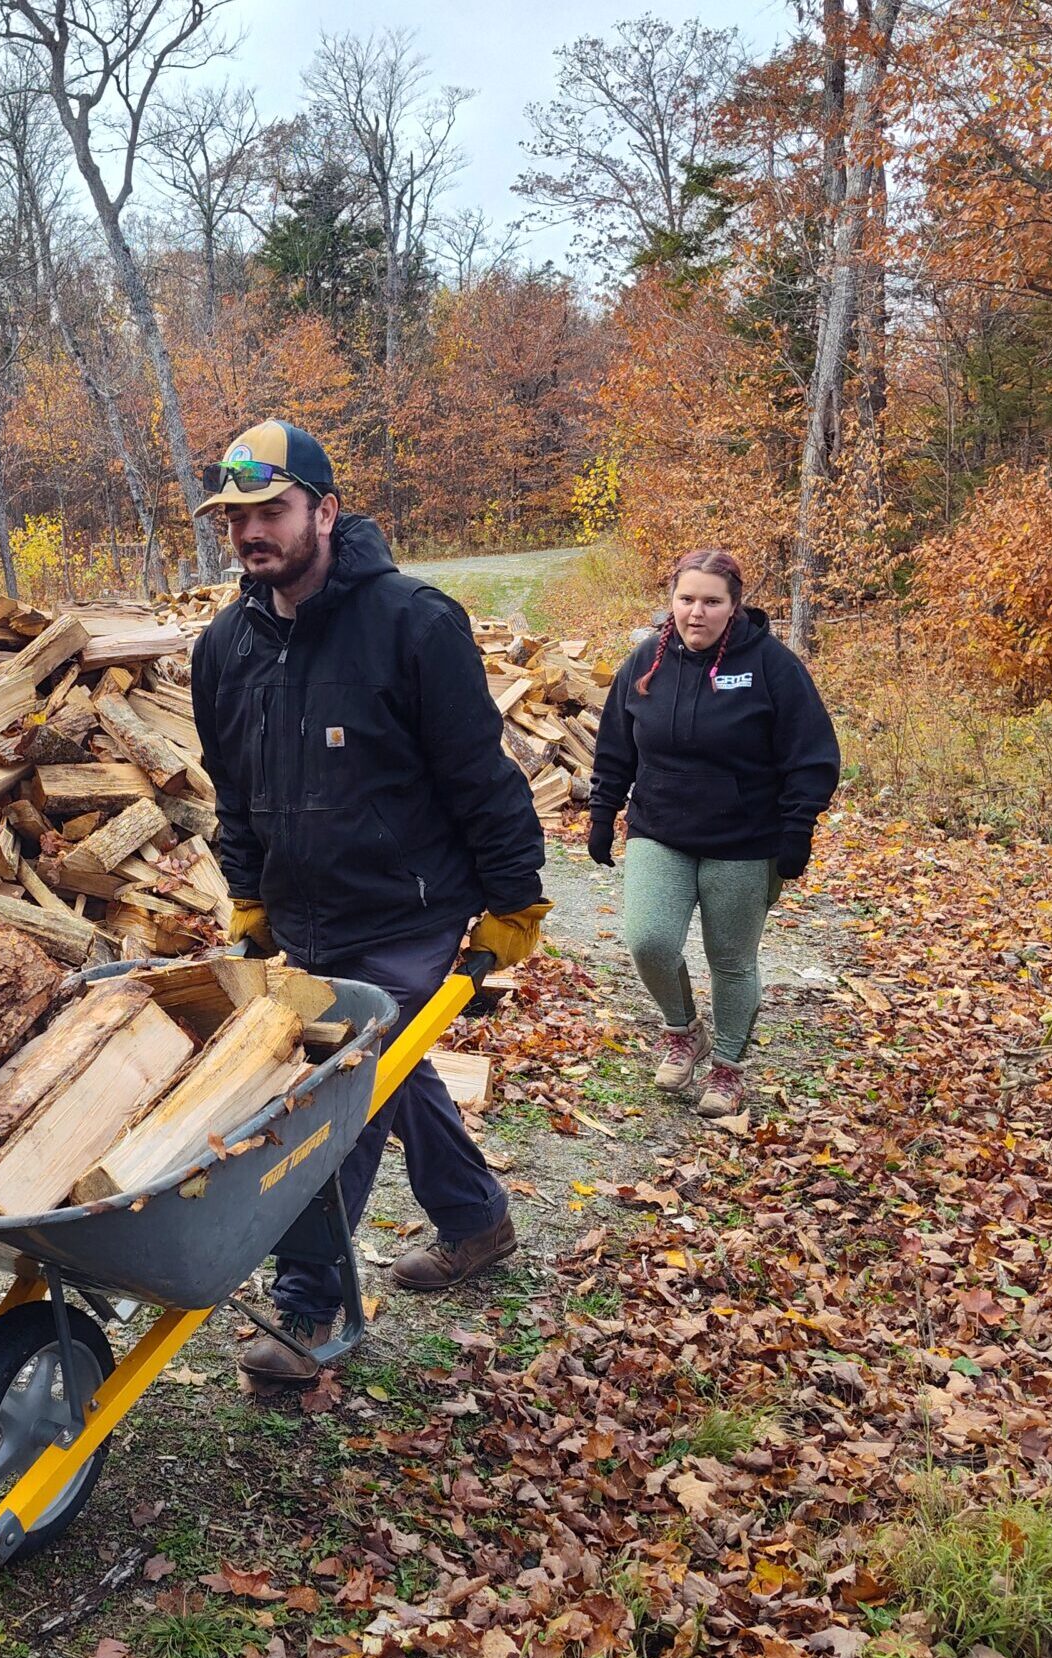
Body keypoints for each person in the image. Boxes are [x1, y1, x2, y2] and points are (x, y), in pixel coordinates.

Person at [188, 419, 549, 1387]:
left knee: (341, 1087)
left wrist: (513, 903)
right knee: (390, 1072)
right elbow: (236, 787)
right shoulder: (224, 647)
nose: (252, 533)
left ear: (326, 511)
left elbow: (482, 777)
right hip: (307, 915)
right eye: (236, 518)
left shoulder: (412, 622)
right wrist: (249, 896)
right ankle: (478, 1221)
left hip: (410, 908)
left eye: (272, 510)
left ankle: (312, 1299)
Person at [587, 548, 840, 1117]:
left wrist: (797, 830)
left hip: (745, 841)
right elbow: (614, 747)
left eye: (710, 601)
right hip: (660, 829)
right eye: (685, 598)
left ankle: (727, 1066)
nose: (695, 612)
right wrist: (603, 814)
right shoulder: (645, 662)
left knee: (731, 960)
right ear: (671, 600)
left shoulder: (772, 666)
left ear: (733, 607)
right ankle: (683, 1031)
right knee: (648, 940)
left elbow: (813, 754)